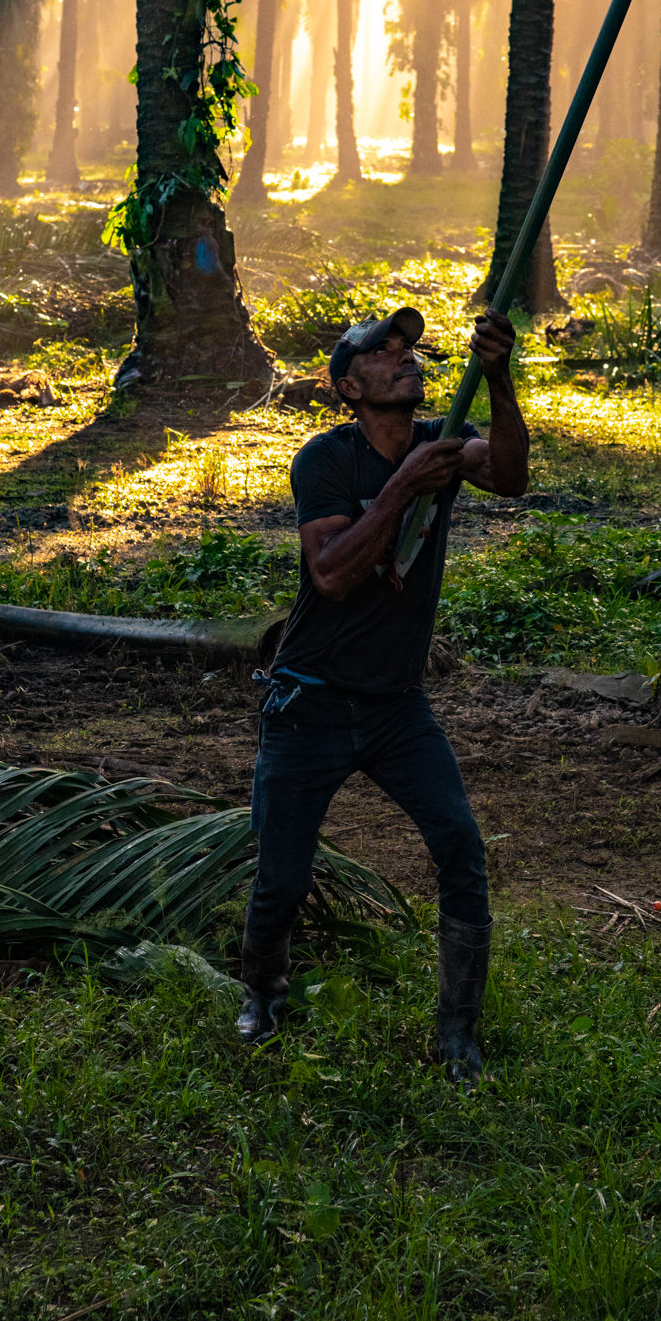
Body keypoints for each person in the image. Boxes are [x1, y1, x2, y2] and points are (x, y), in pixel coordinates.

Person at [238, 303, 530, 1084]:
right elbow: (330, 575)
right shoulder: (325, 460)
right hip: (310, 700)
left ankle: (457, 1033)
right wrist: (403, 487)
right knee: (283, 877)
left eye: (408, 346)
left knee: (461, 849)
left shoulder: (443, 442)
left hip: (398, 706)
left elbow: (510, 474)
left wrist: (497, 381)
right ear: (346, 388)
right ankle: (262, 990)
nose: (403, 355)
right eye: (380, 351)